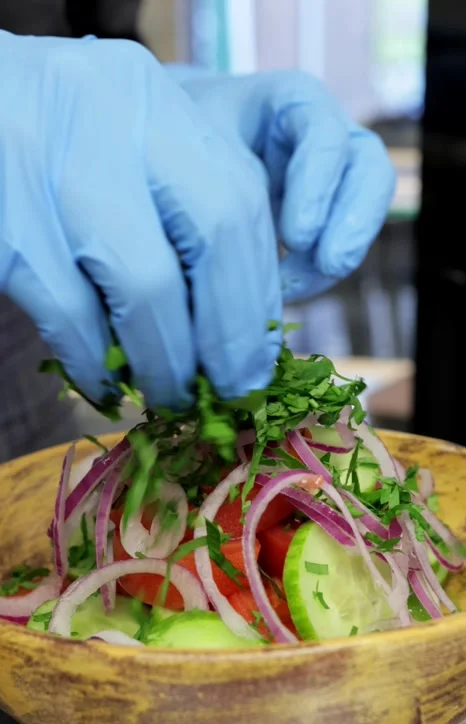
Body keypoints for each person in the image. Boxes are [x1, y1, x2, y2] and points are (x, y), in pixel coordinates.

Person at [0, 5, 396, 461]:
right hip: (26, 309)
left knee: (50, 498)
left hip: (22, 374)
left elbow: (90, 23)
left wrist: (168, 102)